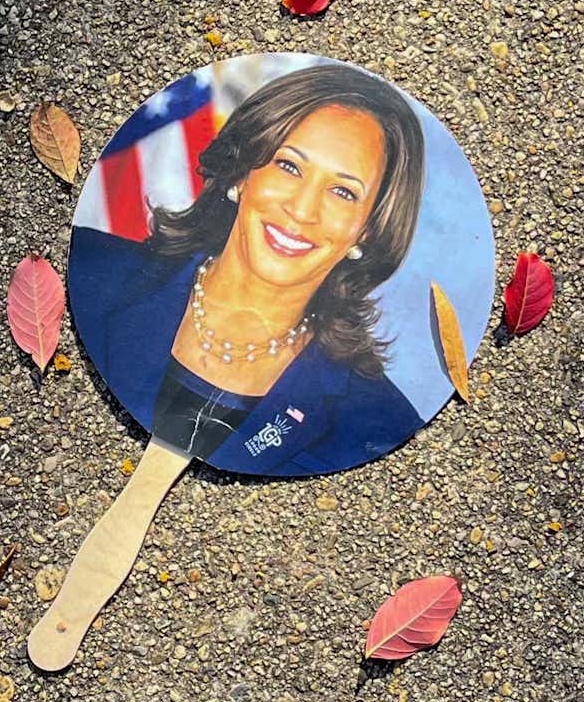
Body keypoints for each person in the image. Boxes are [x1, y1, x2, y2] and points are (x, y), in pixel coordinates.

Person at [70, 63, 428, 476]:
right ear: (241, 173)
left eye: (343, 191)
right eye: (289, 166)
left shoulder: (379, 421)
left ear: (367, 231)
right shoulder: (91, 270)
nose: (302, 209)